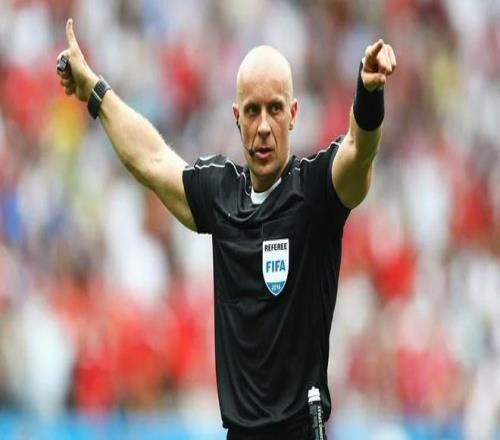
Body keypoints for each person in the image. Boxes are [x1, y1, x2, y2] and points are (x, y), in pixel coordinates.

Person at [56, 18, 396, 440]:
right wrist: (93, 91)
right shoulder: (222, 195)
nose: (264, 126)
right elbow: (152, 159)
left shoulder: (316, 193)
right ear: (237, 117)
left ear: (293, 114)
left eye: (275, 109)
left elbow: (359, 153)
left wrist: (368, 93)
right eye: (252, 111)